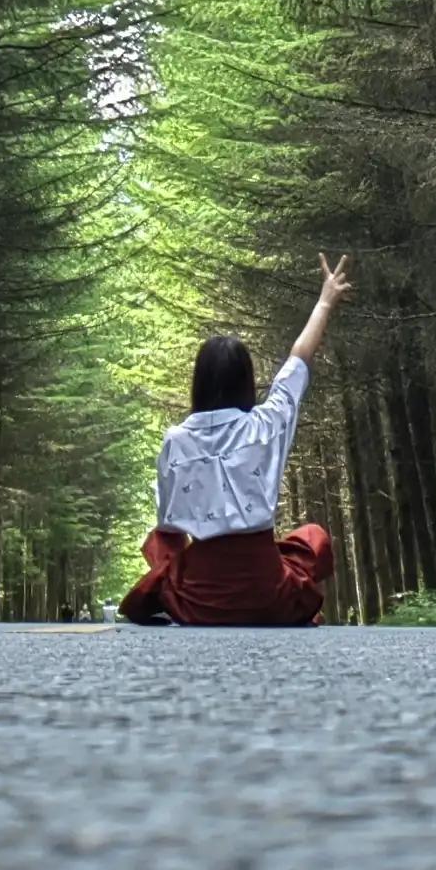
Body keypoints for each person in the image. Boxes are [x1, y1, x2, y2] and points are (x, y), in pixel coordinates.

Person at [117, 255, 353, 626]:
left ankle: (195, 592)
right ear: (246, 381)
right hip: (268, 595)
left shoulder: (176, 441)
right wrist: (324, 301)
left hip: (199, 603)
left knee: (162, 540)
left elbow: (169, 525)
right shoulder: (265, 424)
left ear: (199, 383)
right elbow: (298, 363)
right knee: (313, 538)